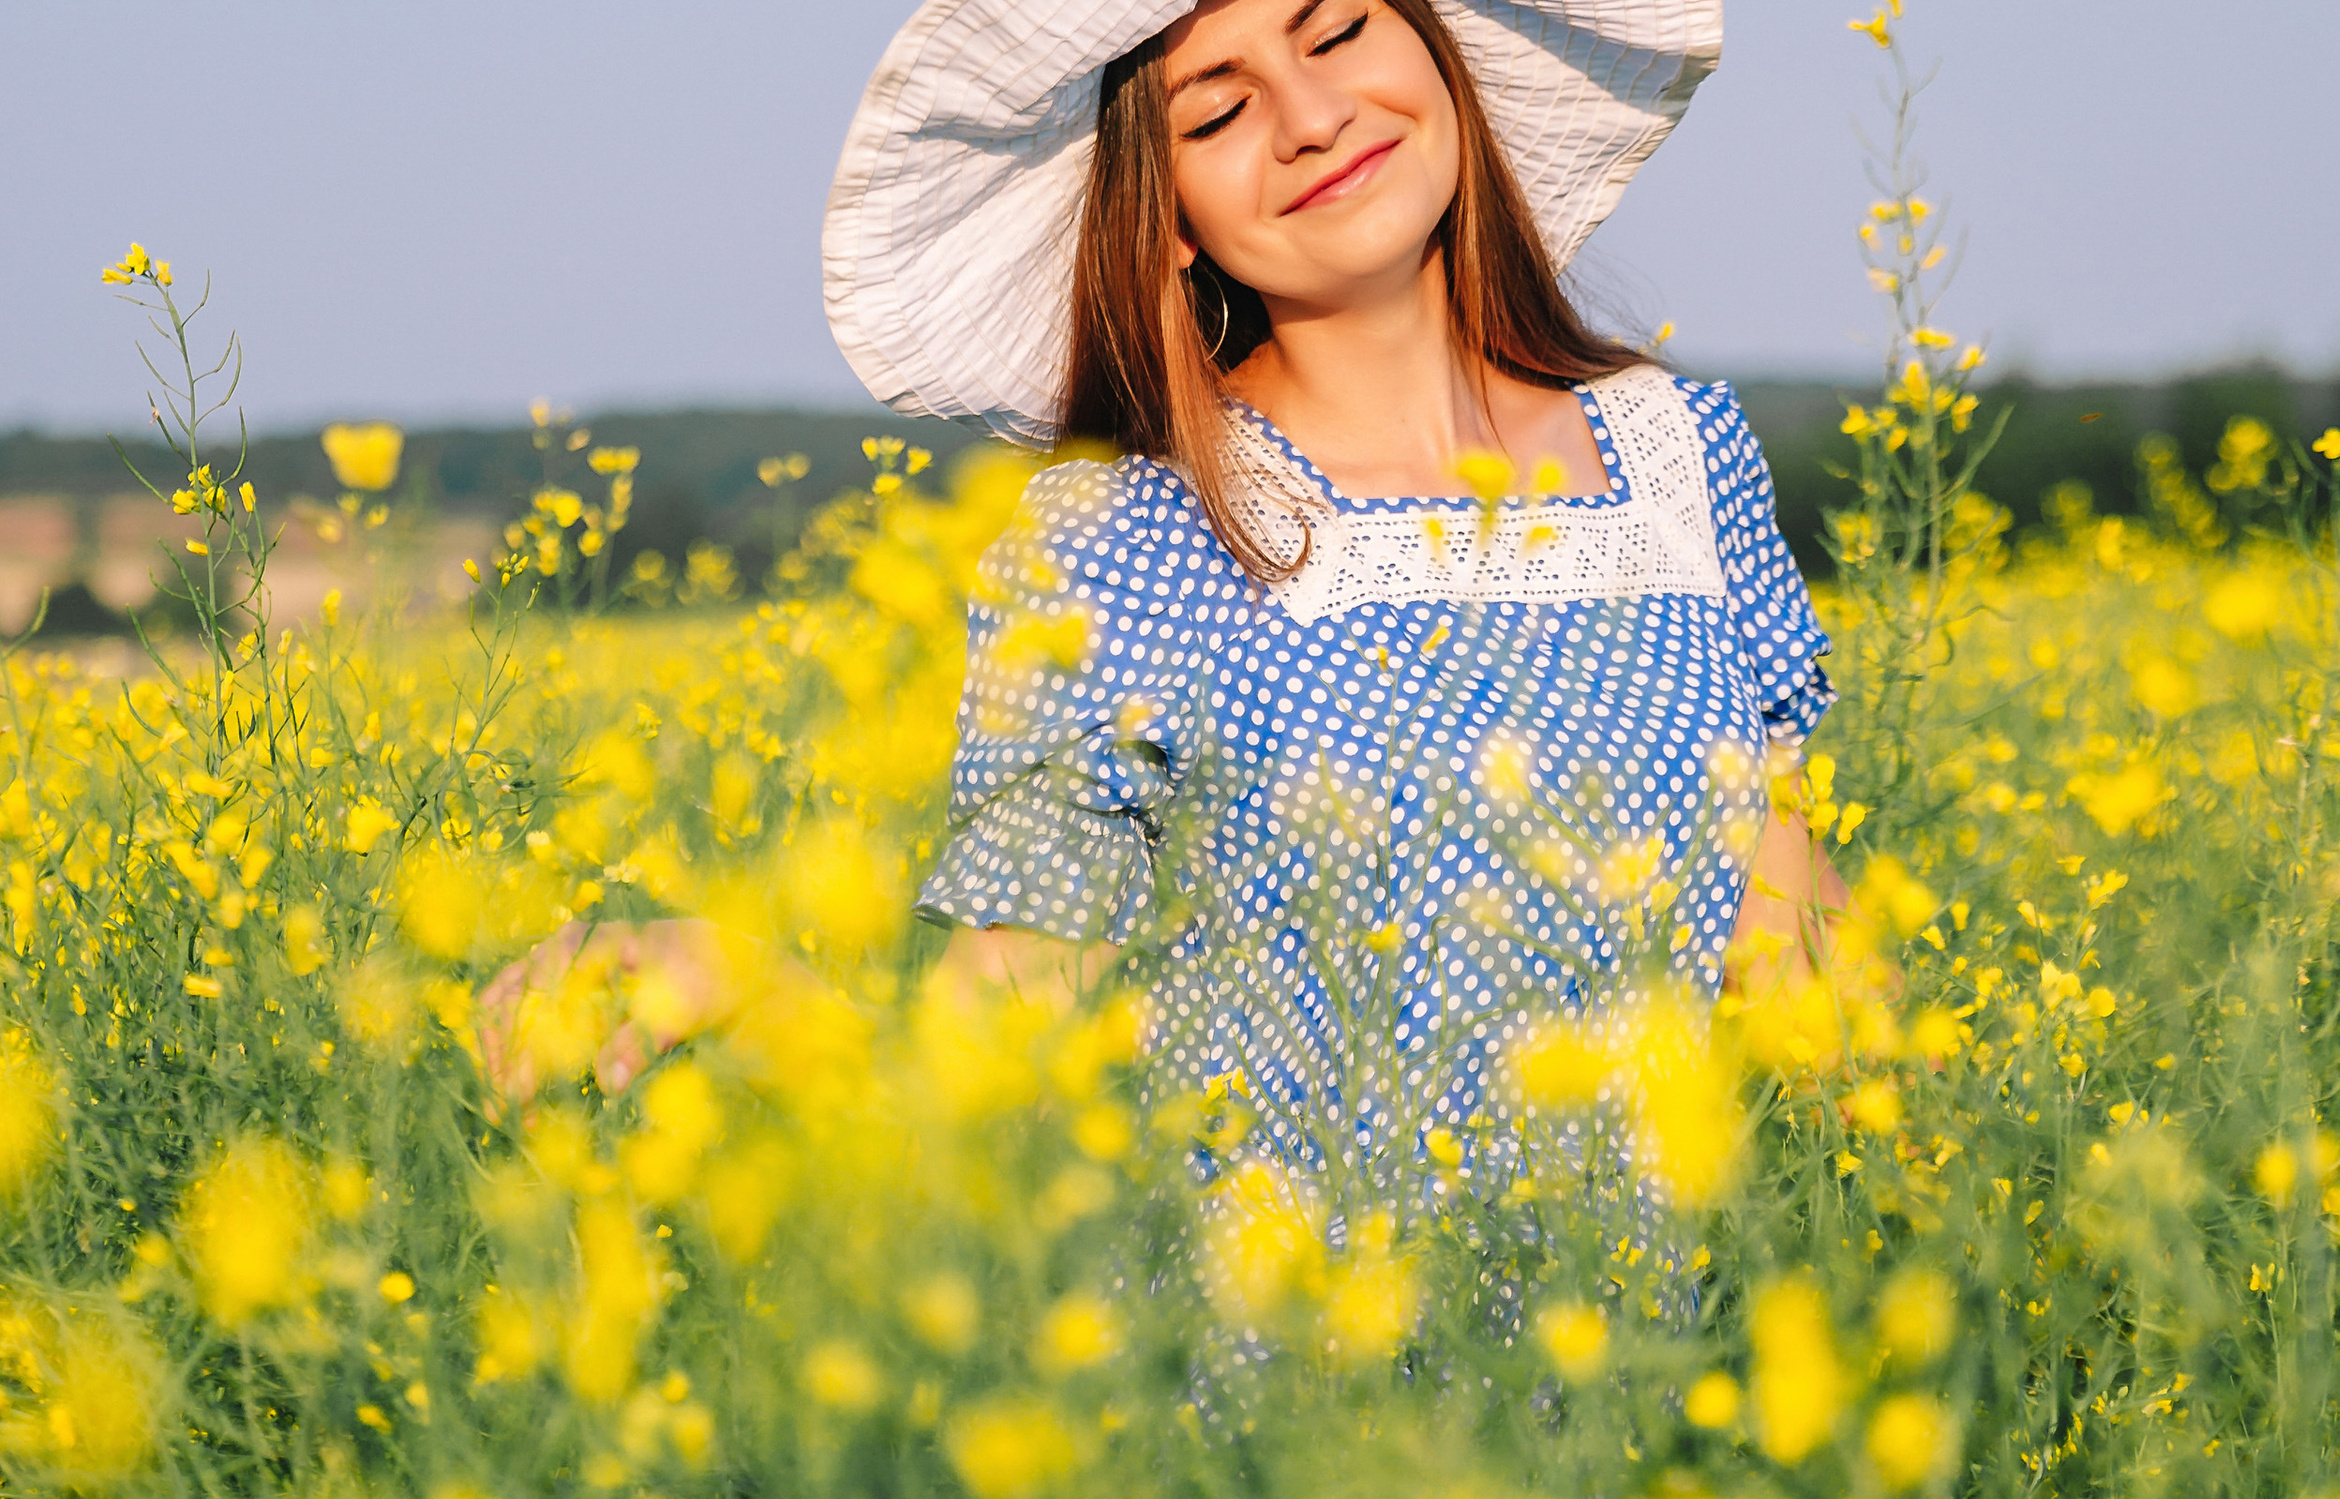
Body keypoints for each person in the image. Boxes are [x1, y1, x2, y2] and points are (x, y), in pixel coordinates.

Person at [480, 0, 1845, 1184]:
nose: (1310, 116)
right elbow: (1000, 1030)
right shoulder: (1129, 537)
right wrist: (756, 986)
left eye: (1339, 30)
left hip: (1636, 1388)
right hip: (1280, 1404)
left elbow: (1798, 969)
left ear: (1439, 61)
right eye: (1218, 108)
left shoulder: (1684, 455)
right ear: (1170, 218)